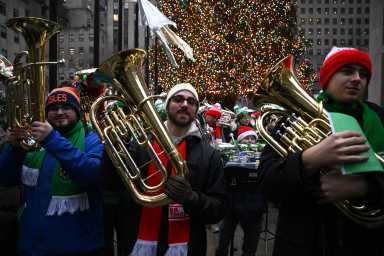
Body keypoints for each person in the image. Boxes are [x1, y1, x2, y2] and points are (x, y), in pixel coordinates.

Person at [258, 47, 384, 256]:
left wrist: (366, 186)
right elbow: (266, 183)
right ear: (327, 77)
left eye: (363, 74)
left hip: (368, 244)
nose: (357, 79)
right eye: (347, 71)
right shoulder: (292, 119)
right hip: (304, 244)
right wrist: (308, 159)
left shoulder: (381, 119)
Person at [105, 82, 227, 256]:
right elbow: (113, 185)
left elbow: (219, 209)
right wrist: (110, 145)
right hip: (136, 242)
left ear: (195, 110)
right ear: (168, 104)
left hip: (188, 246)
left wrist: (192, 198)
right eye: (178, 99)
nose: (185, 104)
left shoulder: (210, 155)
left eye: (191, 102)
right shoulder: (141, 145)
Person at [0, 86, 105, 255]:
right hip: (32, 244)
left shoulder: (91, 138)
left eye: (66, 108)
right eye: (54, 109)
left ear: (77, 111)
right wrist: (13, 148)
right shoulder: (32, 140)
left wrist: (52, 140)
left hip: (79, 246)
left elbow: (91, 174)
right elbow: (5, 179)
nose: (60, 112)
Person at [216, 126, 266, 256]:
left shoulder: (262, 154)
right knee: (223, 238)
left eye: (252, 138)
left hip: (255, 205)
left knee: (251, 243)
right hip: (232, 203)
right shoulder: (230, 153)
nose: (250, 141)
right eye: (246, 138)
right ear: (239, 141)